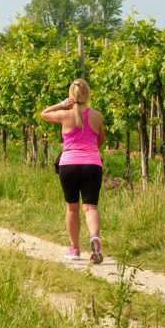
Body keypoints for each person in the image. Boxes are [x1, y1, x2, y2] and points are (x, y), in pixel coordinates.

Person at [40, 78, 105, 264]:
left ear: (71, 94)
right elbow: (100, 139)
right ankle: (94, 237)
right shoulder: (97, 116)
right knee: (90, 207)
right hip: (92, 164)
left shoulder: (64, 114)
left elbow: (43, 114)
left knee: (72, 208)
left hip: (68, 164)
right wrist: (90, 150)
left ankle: (75, 249)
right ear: (88, 94)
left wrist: (60, 104)